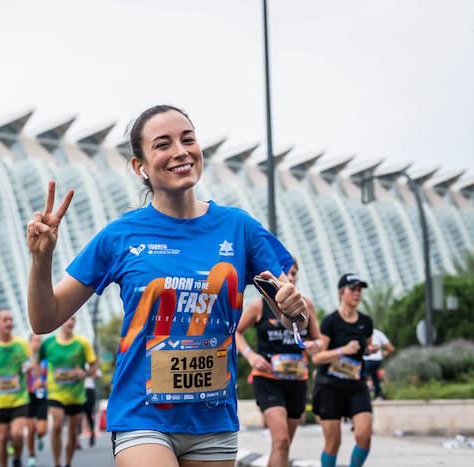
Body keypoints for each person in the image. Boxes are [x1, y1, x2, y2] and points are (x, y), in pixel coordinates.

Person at [26, 104, 308, 467]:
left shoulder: (240, 227)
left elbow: (292, 319)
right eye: (163, 144)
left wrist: (293, 313)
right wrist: (41, 259)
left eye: (188, 139)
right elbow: (44, 319)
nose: (180, 151)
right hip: (142, 417)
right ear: (139, 165)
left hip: (213, 419)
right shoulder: (121, 235)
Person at [235, 259, 323, 467]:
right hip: (268, 380)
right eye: (285, 273)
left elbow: (319, 340)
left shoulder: (306, 305)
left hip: (297, 380)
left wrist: (314, 345)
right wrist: (251, 356)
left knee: (283, 445)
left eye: (293, 273)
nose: (290, 277)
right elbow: (236, 333)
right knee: (281, 440)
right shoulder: (259, 306)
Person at [312, 274, 377, 467]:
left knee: (364, 435)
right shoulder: (330, 321)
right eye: (353, 289)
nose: (357, 294)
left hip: (356, 385)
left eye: (359, 290)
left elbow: (366, 347)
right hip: (330, 386)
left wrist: (370, 349)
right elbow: (317, 357)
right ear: (342, 292)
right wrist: (343, 351)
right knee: (333, 442)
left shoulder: (366, 321)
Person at [39, 317, 97, 467]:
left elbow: (94, 366)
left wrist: (85, 373)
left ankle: (68, 462)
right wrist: (40, 377)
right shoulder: (49, 343)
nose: (70, 322)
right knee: (57, 424)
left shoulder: (82, 343)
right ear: (60, 322)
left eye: (73, 320)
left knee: (72, 432)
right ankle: (57, 462)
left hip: (76, 395)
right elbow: (36, 360)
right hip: (55, 392)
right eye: (67, 320)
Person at [0, 309, 31, 467]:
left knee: (17, 433)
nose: (9, 323)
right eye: (5, 320)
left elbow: (30, 364)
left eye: (11, 319)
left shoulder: (21, 344)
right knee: (1, 438)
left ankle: (16, 458)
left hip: (19, 397)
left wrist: (28, 368)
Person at [25, 334, 48, 467]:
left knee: (41, 430)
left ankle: (40, 437)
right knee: (30, 428)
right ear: (30, 343)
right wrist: (28, 367)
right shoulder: (25, 358)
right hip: (28, 395)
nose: (37, 343)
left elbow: (51, 376)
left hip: (42, 396)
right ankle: (31, 455)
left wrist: (44, 383)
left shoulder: (46, 359)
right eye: (34, 340)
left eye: (39, 341)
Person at [363, 328, 394, 400]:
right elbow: (391, 348)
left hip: (366, 359)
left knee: (363, 376)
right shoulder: (379, 333)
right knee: (374, 376)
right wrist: (384, 354)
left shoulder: (359, 331)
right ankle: (378, 395)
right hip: (377, 360)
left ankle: (364, 395)